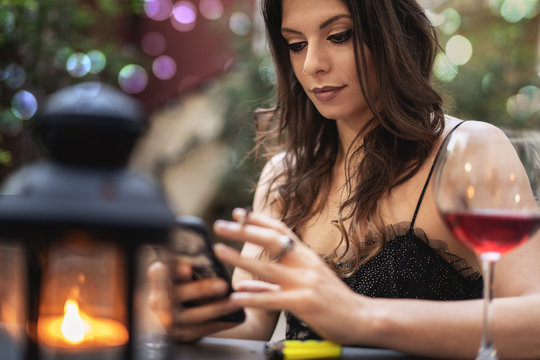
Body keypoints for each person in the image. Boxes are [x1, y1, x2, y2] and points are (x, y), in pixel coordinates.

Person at [148, 0, 540, 358]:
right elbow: (250, 326)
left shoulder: (468, 150)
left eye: (338, 36)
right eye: (296, 44)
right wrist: (196, 316)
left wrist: (362, 316)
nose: (311, 64)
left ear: (392, 36)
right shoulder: (286, 176)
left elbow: (534, 323)